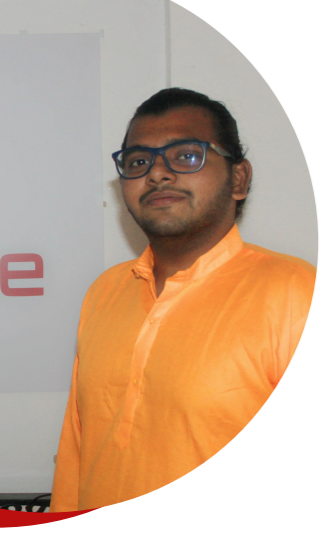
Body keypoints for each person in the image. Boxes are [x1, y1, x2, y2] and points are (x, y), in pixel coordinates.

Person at [49, 88, 316, 511]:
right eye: (138, 161)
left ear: (238, 179)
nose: (157, 174)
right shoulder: (105, 291)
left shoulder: (296, 294)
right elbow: (76, 452)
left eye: (187, 155)